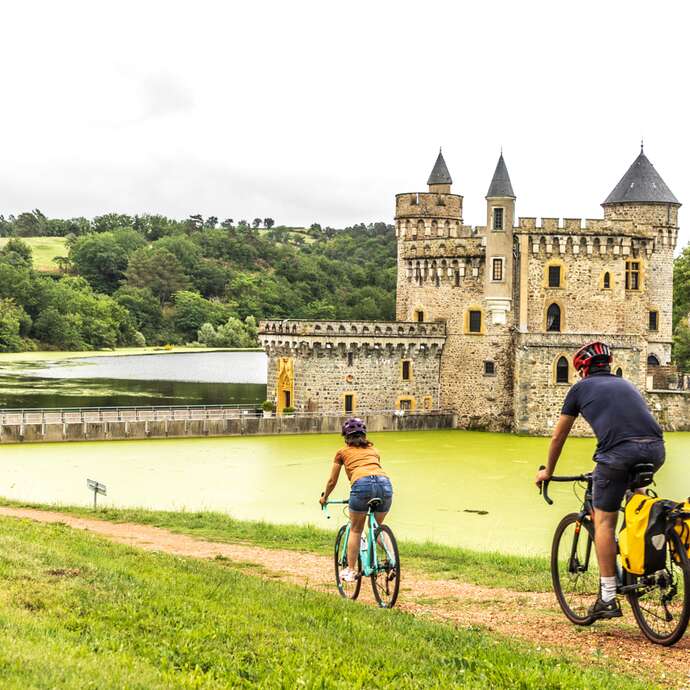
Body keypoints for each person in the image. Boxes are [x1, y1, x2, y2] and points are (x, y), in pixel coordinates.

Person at [534, 341, 665, 620]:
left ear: (582, 370)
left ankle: (607, 597)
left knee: (604, 522)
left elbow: (559, 436)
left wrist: (548, 471)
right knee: (634, 502)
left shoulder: (579, 389)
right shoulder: (626, 384)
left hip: (617, 455)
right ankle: (642, 567)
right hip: (655, 450)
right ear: (608, 365)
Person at [319, 417, 393, 582]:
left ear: (346, 437)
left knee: (355, 529)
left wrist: (325, 497)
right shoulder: (374, 450)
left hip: (361, 485)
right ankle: (392, 560)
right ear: (364, 435)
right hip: (385, 484)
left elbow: (332, 481)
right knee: (377, 527)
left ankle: (351, 570)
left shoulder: (342, 452)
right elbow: (372, 470)